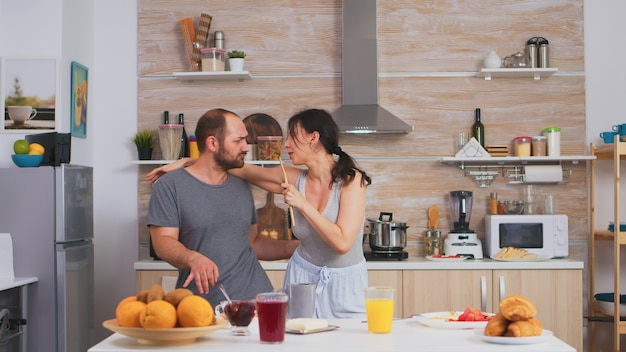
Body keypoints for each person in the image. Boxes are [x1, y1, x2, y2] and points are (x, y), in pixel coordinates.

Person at [147, 108, 372, 318]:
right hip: (302, 277)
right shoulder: (294, 178)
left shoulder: (352, 180)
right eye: (239, 140)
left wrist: (302, 204)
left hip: (345, 283)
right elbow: (239, 167)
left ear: (313, 138)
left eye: (292, 137)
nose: (287, 145)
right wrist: (190, 161)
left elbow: (342, 243)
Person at [146, 108, 299, 308]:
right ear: (212, 143)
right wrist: (193, 258)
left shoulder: (240, 184)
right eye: (238, 141)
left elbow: (251, 242)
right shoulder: (170, 186)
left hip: (258, 301)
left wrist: (291, 248)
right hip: (203, 306)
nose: (246, 147)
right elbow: (163, 242)